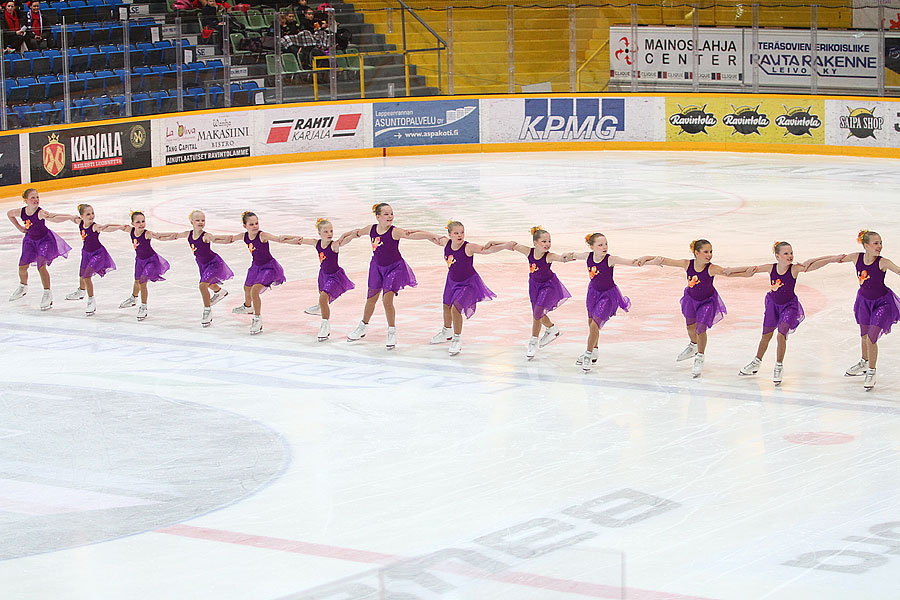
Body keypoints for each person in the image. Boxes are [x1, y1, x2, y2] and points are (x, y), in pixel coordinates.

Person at [805, 230, 900, 390]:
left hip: (882, 303)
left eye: (881, 243)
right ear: (866, 245)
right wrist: (812, 260)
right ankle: (864, 362)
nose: (880, 246)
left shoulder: (883, 262)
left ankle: (871, 370)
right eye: (876, 243)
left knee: (871, 337)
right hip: (864, 302)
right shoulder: (856, 257)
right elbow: (833, 259)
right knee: (863, 335)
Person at [732, 241, 836, 384]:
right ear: (777, 256)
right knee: (765, 336)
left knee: (781, 334)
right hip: (772, 306)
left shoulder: (794, 269)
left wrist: (832, 259)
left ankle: (779, 366)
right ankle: (756, 361)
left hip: (789, 307)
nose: (790, 256)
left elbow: (812, 265)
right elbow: (751, 269)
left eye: (791, 253)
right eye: (786, 253)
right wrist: (730, 271)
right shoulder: (770, 268)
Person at [639, 239, 745, 378]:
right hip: (690, 299)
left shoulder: (711, 268)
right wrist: (647, 258)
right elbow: (665, 260)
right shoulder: (687, 264)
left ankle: (700, 356)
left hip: (707, 302)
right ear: (696, 253)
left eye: (711, 251)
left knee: (701, 328)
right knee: (690, 328)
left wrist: (749, 271)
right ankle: (693, 345)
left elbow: (727, 272)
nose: (709, 255)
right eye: (706, 252)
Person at [341, 202, 433, 349]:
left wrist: (431, 236)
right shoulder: (371, 229)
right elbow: (356, 233)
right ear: (378, 217)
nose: (390, 216)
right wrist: (342, 239)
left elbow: (411, 234)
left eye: (391, 213)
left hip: (394, 268)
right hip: (376, 267)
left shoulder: (394, 231)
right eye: (386, 214)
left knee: (387, 300)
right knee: (371, 299)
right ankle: (363, 326)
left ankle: (391, 331)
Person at [492, 227, 574, 359]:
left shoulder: (549, 256)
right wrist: (494, 241)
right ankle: (552, 329)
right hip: (534, 286)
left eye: (549, 241)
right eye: (544, 241)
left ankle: (533, 341)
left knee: (537, 313)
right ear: (535, 243)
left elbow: (560, 258)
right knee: (538, 314)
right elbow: (512, 245)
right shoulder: (528, 251)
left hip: (548, 286)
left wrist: (568, 257)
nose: (547, 244)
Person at [565, 233, 640, 373]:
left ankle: (587, 354)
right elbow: (572, 255)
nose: (604, 247)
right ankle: (595, 351)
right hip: (593, 293)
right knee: (591, 322)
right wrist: (564, 257)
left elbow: (631, 262)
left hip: (608, 295)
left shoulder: (610, 259)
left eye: (606, 244)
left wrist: (641, 261)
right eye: (600, 245)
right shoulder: (588, 256)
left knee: (595, 324)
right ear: (592, 246)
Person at [425, 220, 501, 356]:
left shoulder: (468, 247)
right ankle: (446, 332)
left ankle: (457, 338)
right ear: (449, 234)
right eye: (456, 233)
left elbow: (487, 250)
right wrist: (417, 233)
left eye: (462, 232)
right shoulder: (446, 243)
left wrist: (505, 245)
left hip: (468, 283)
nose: (460, 235)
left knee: (456, 309)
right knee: (446, 306)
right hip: (452, 281)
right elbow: (432, 237)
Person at [215, 211, 294, 335]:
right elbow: (230, 239)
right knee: (247, 287)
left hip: (268, 268)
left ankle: (257, 319)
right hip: (255, 266)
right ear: (245, 226)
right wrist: (213, 240)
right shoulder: (244, 236)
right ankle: (248, 307)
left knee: (254, 291)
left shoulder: (262, 235)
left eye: (256, 223)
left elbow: (278, 239)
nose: (255, 226)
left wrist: (291, 239)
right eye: (251, 224)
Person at [7, 188, 72, 310]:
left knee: (41, 266)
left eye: (37, 197)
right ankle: (23, 286)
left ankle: (47, 293)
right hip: (30, 241)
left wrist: (69, 217)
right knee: (22, 267)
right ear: (26, 201)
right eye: (32, 198)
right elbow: (9, 214)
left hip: (44, 241)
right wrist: (19, 228)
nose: (36, 200)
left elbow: (54, 217)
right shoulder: (21, 212)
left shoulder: (40, 212)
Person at [297, 218, 355, 341]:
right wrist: (284, 239)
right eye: (326, 232)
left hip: (335, 276)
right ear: (319, 233)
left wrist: (353, 234)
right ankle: (320, 307)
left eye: (331, 231)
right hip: (323, 274)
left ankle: (325, 326)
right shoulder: (316, 243)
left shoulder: (334, 245)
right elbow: (301, 240)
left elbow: (346, 240)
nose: (329, 234)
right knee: (322, 297)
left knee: (323, 297)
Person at [173, 210, 234, 328]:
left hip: (213, 263)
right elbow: (175, 235)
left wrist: (228, 239)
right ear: (191, 222)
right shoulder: (188, 234)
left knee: (202, 285)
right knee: (210, 283)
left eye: (203, 220)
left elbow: (215, 238)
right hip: (202, 264)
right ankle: (220, 292)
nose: (201, 222)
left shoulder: (205, 236)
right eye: (198, 220)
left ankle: (207, 311)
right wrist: (158, 236)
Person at [117, 211, 177, 321]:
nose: (141, 224)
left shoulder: (147, 233)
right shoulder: (131, 231)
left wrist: (172, 236)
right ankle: (133, 298)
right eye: (138, 222)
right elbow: (120, 227)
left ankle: (143, 307)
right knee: (137, 281)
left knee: (142, 282)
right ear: (132, 223)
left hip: (151, 261)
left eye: (143, 221)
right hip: (139, 260)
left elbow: (159, 236)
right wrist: (104, 227)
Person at [63, 204, 118, 316]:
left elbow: (107, 228)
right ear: (81, 216)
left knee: (86, 277)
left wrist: (120, 227)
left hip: (97, 254)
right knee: (82, 274)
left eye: (92, 213)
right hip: (86, 253)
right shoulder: (80, 223)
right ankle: (81, 291)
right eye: (88, 214)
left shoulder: (95, 226)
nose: (91, 216)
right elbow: (70, 217)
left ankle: (91, 300)